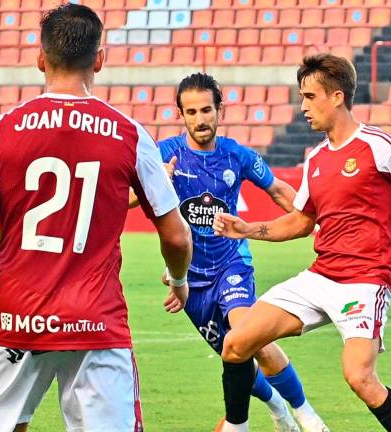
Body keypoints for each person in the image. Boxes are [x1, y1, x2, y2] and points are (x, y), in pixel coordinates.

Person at [0, 5, 192, 432]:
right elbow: (176, 238)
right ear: (100, 59)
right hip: (96, 322)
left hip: (15, 318)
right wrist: (179, 281)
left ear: (40, 58)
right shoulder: (130, 135)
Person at [212, 54, 391, 432]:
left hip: (365, 280)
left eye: (309, 96)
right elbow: (303, 221)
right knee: (236, 344)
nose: (303, 106)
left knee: (360, 378)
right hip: (320, 277)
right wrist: (246, 229)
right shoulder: (316, 158)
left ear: (336, 96)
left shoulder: (379, 145)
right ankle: (237, 429)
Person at [156, 73, 328, 432]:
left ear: (220, 109)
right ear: (180, 115)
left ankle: (307, 415)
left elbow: (279, 190)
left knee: (250, 336)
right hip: (190, 280)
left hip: (232, 263)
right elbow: (127, 199)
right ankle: (277, 406)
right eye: (191, 112)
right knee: (234, 355)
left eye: (207, 109)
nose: (200, 119)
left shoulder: (237, 155)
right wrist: (159, 182)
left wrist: (317, 219)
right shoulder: (165, 155)